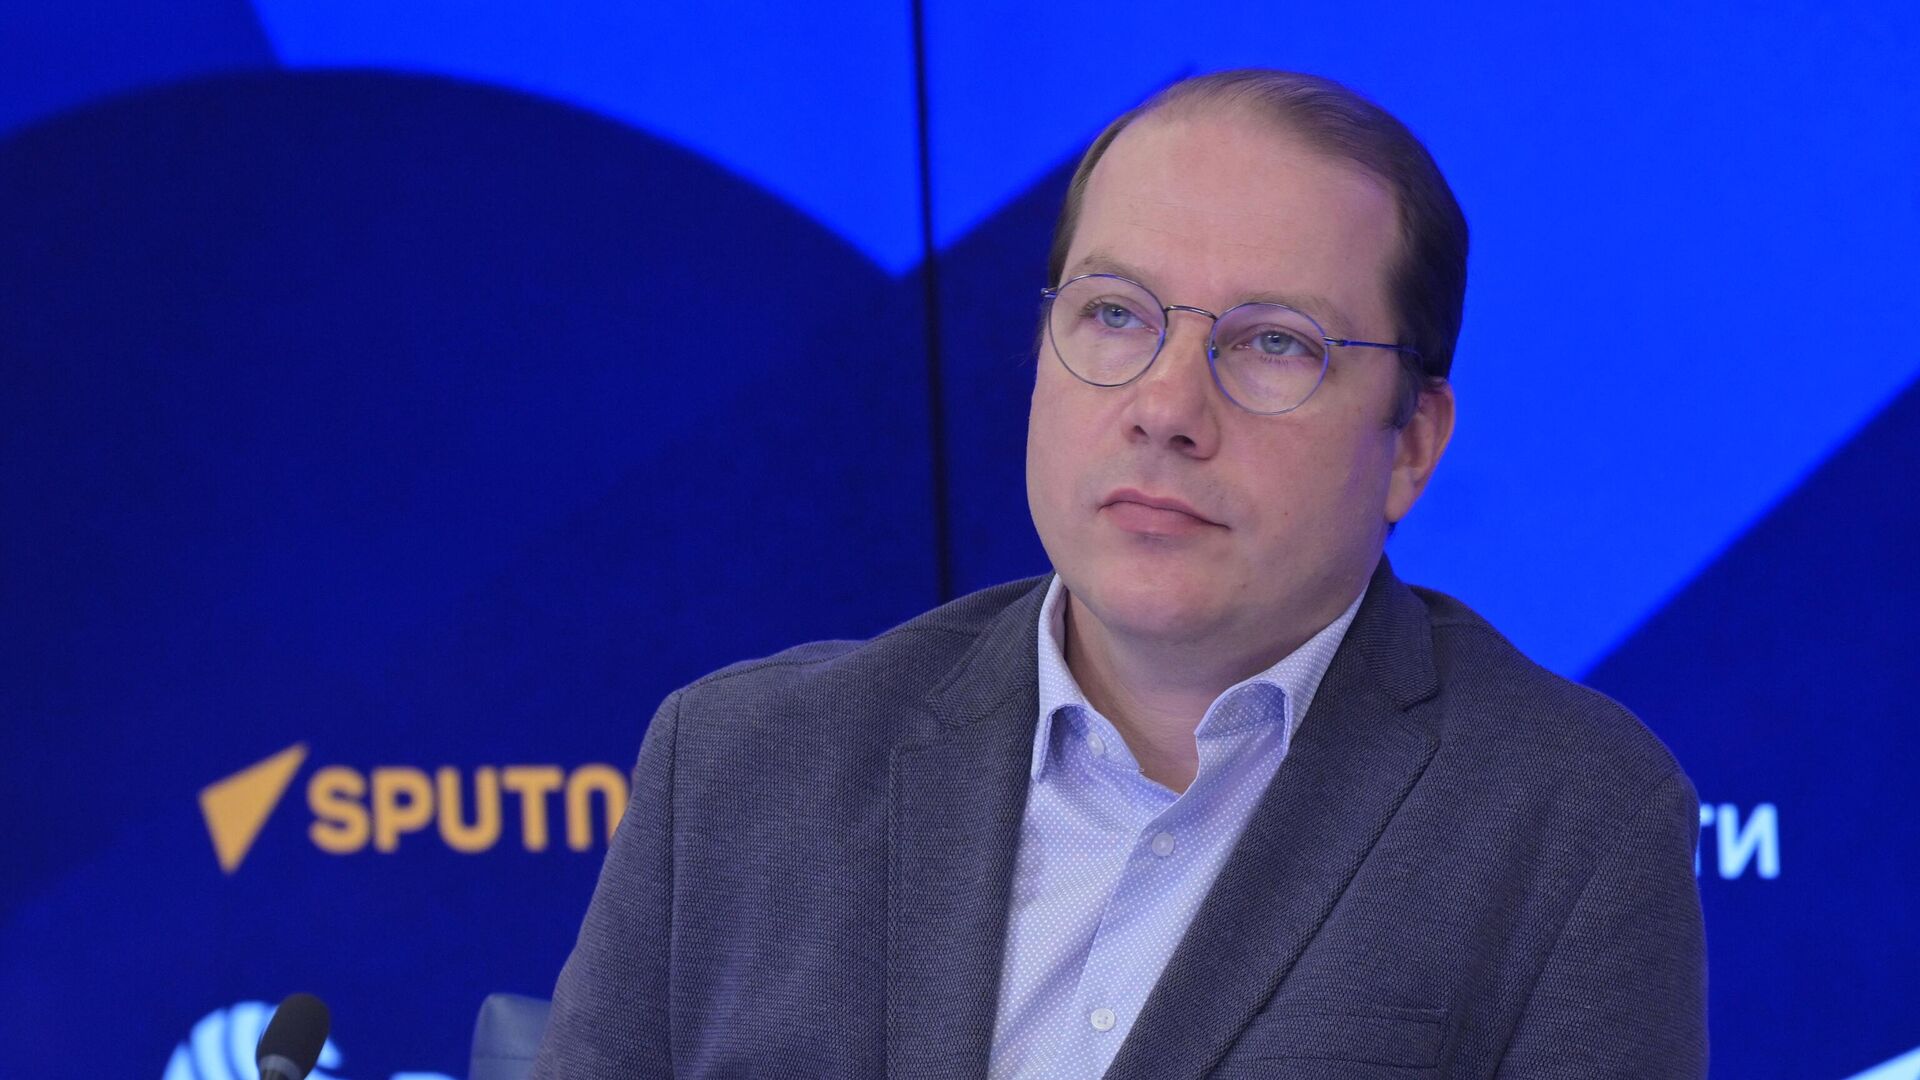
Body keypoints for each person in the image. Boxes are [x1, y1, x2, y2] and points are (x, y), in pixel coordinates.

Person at [532, 69, 1706, 1079]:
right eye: (1114, 315)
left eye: (1274, 342)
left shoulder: (1569, 820)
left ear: (1411, 444)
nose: (1165, 406)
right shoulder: (741, 765)